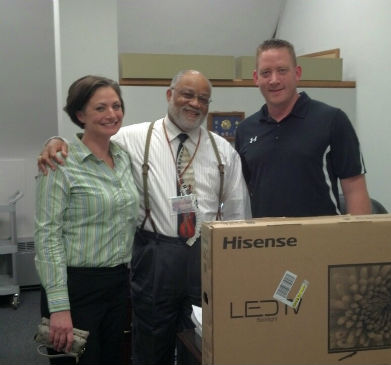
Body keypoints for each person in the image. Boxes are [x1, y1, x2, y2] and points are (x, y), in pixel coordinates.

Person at [38, 70, 251, 365]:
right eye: (187, 94)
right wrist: (55, 141)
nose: (194, 103)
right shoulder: (132, 139)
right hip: (154, 256)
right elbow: (89, 140)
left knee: (202, 342)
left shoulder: (223, 150)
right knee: (150, 342)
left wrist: (235, 270)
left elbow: (239, 215)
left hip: (205, 257)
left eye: (203, 98)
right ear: (169, 95)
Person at [34, 75, 140, 365]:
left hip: (118, 283)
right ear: (80, 114)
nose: (112, 114)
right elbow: (47, 237)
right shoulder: (59, 163)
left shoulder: (124, 158)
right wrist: (58, 307)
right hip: (75, 287)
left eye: (116, 106)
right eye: (100, 108)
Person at [235, 39, 371, 217]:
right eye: (266, 73)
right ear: (256, 78)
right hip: (266, 240)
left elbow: (354, 189)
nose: (274, 80)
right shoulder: (246, 129)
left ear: (297, 73)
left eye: (282, 70)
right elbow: (243, 193)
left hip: (322, 238)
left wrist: (358, 240)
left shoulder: (332, 120)